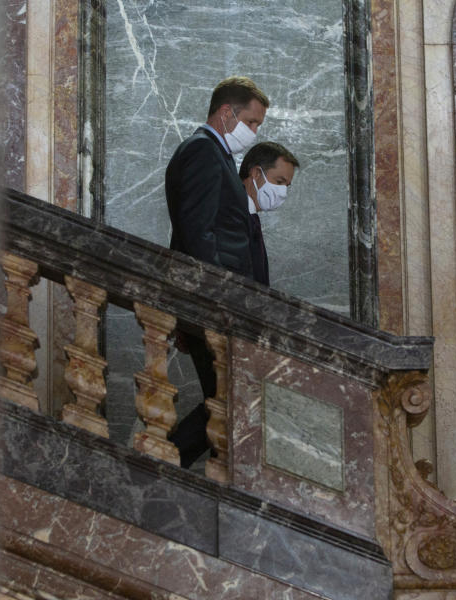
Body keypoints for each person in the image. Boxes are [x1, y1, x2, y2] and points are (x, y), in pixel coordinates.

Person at [165, 76, 269, 467]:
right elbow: (198, 232)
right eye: (252, 122)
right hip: (213, 306)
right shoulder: (203, 152)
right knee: (228, 404)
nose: (254, 132)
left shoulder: (217, 155)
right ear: (227, 113)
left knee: (225, 403)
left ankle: (165, 462)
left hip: (215, 306)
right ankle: (163, 462)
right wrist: (216, 301)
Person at [236, 141, 300, 286]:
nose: (283, 192)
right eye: (279, 182)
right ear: (256, 173)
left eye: (286, 186)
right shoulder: (232, 214)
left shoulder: (251, 216)